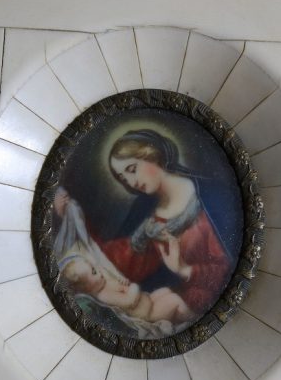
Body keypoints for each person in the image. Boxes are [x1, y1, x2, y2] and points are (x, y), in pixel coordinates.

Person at [54, 129, 233, 314]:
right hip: (171, 301)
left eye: (132, 170)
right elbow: (119, 260)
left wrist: (184, 270)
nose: (131, 182)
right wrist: (72, 218)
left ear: (152, 154)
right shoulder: (145, 212)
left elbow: (229, 269)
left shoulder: (212, 196)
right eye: (123, 178)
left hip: (209, 303)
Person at [59, 254, 195, 325]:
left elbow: (120, 287)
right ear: (87, 288)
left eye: (94, 268)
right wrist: (134, 287)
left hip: (149, 301)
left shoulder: (103, 284)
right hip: (150, 314)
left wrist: (122, 283)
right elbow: (129, 302)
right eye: (94, 272)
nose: (99, 271)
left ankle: (178, 318)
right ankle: (192, 320)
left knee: (166, 291)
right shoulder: (104, 295)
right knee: (174, 300)